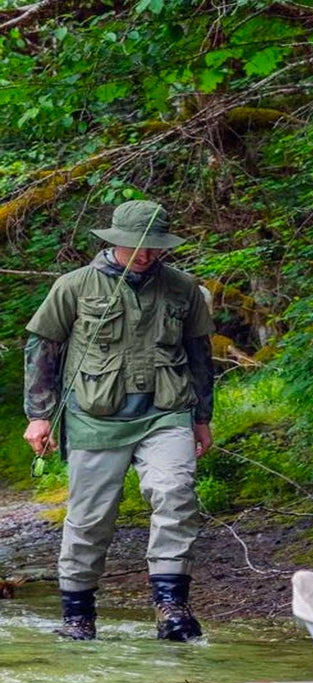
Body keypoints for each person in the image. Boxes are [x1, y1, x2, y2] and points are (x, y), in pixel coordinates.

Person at [22, 199, 215, 642]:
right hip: (93, 418)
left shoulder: (183, 289)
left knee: (175, 494)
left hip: (166, 413)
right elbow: (42, 350)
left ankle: (171, 607)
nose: (145, 255)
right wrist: (39, 416)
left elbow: (201, 357)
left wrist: (202, 417)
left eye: (154, 247)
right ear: (115, 242)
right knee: (90, 519)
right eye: (136, 246)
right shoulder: (74, 286)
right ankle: (78, 615)